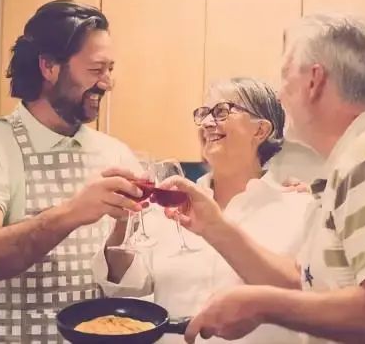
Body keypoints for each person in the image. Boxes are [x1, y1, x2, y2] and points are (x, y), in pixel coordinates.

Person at [161, 14, 365, 344]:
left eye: (285, 77)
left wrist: (261, 306)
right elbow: (305, 283)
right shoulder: (359, 159)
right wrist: (215, 227)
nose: (280, 96)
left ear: (314, 80)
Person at [0, 0, 146, 343]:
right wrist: (73, 212)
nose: (108, 83)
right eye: (96, 69)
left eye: (110, 69)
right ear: (49, 67)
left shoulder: (115, 154)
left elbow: (122, 281)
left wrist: (125, 229)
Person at [93, 77, 312, 344]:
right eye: (204, 113)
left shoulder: (300, 210)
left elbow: (307, 296)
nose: (207, 123)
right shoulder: (172, 205)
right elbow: (125, 285)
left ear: (260, 130)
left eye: (221, 111)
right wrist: (123, 223)